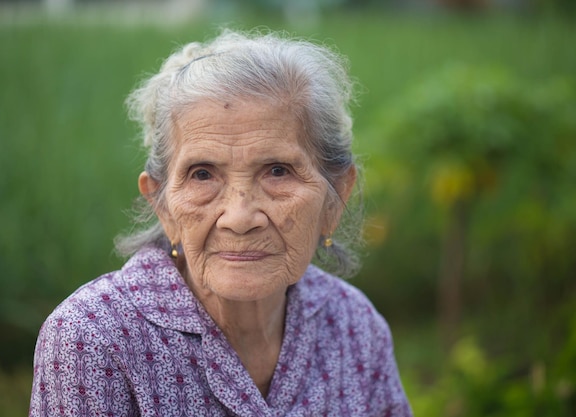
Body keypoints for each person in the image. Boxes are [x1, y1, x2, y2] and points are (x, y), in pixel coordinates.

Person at [29, 29, 412, 416]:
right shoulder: (93, 338)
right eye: (202, 174)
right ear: (162, 205)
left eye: (277, 171)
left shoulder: (353, 325)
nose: (239, 218)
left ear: (336, 198)